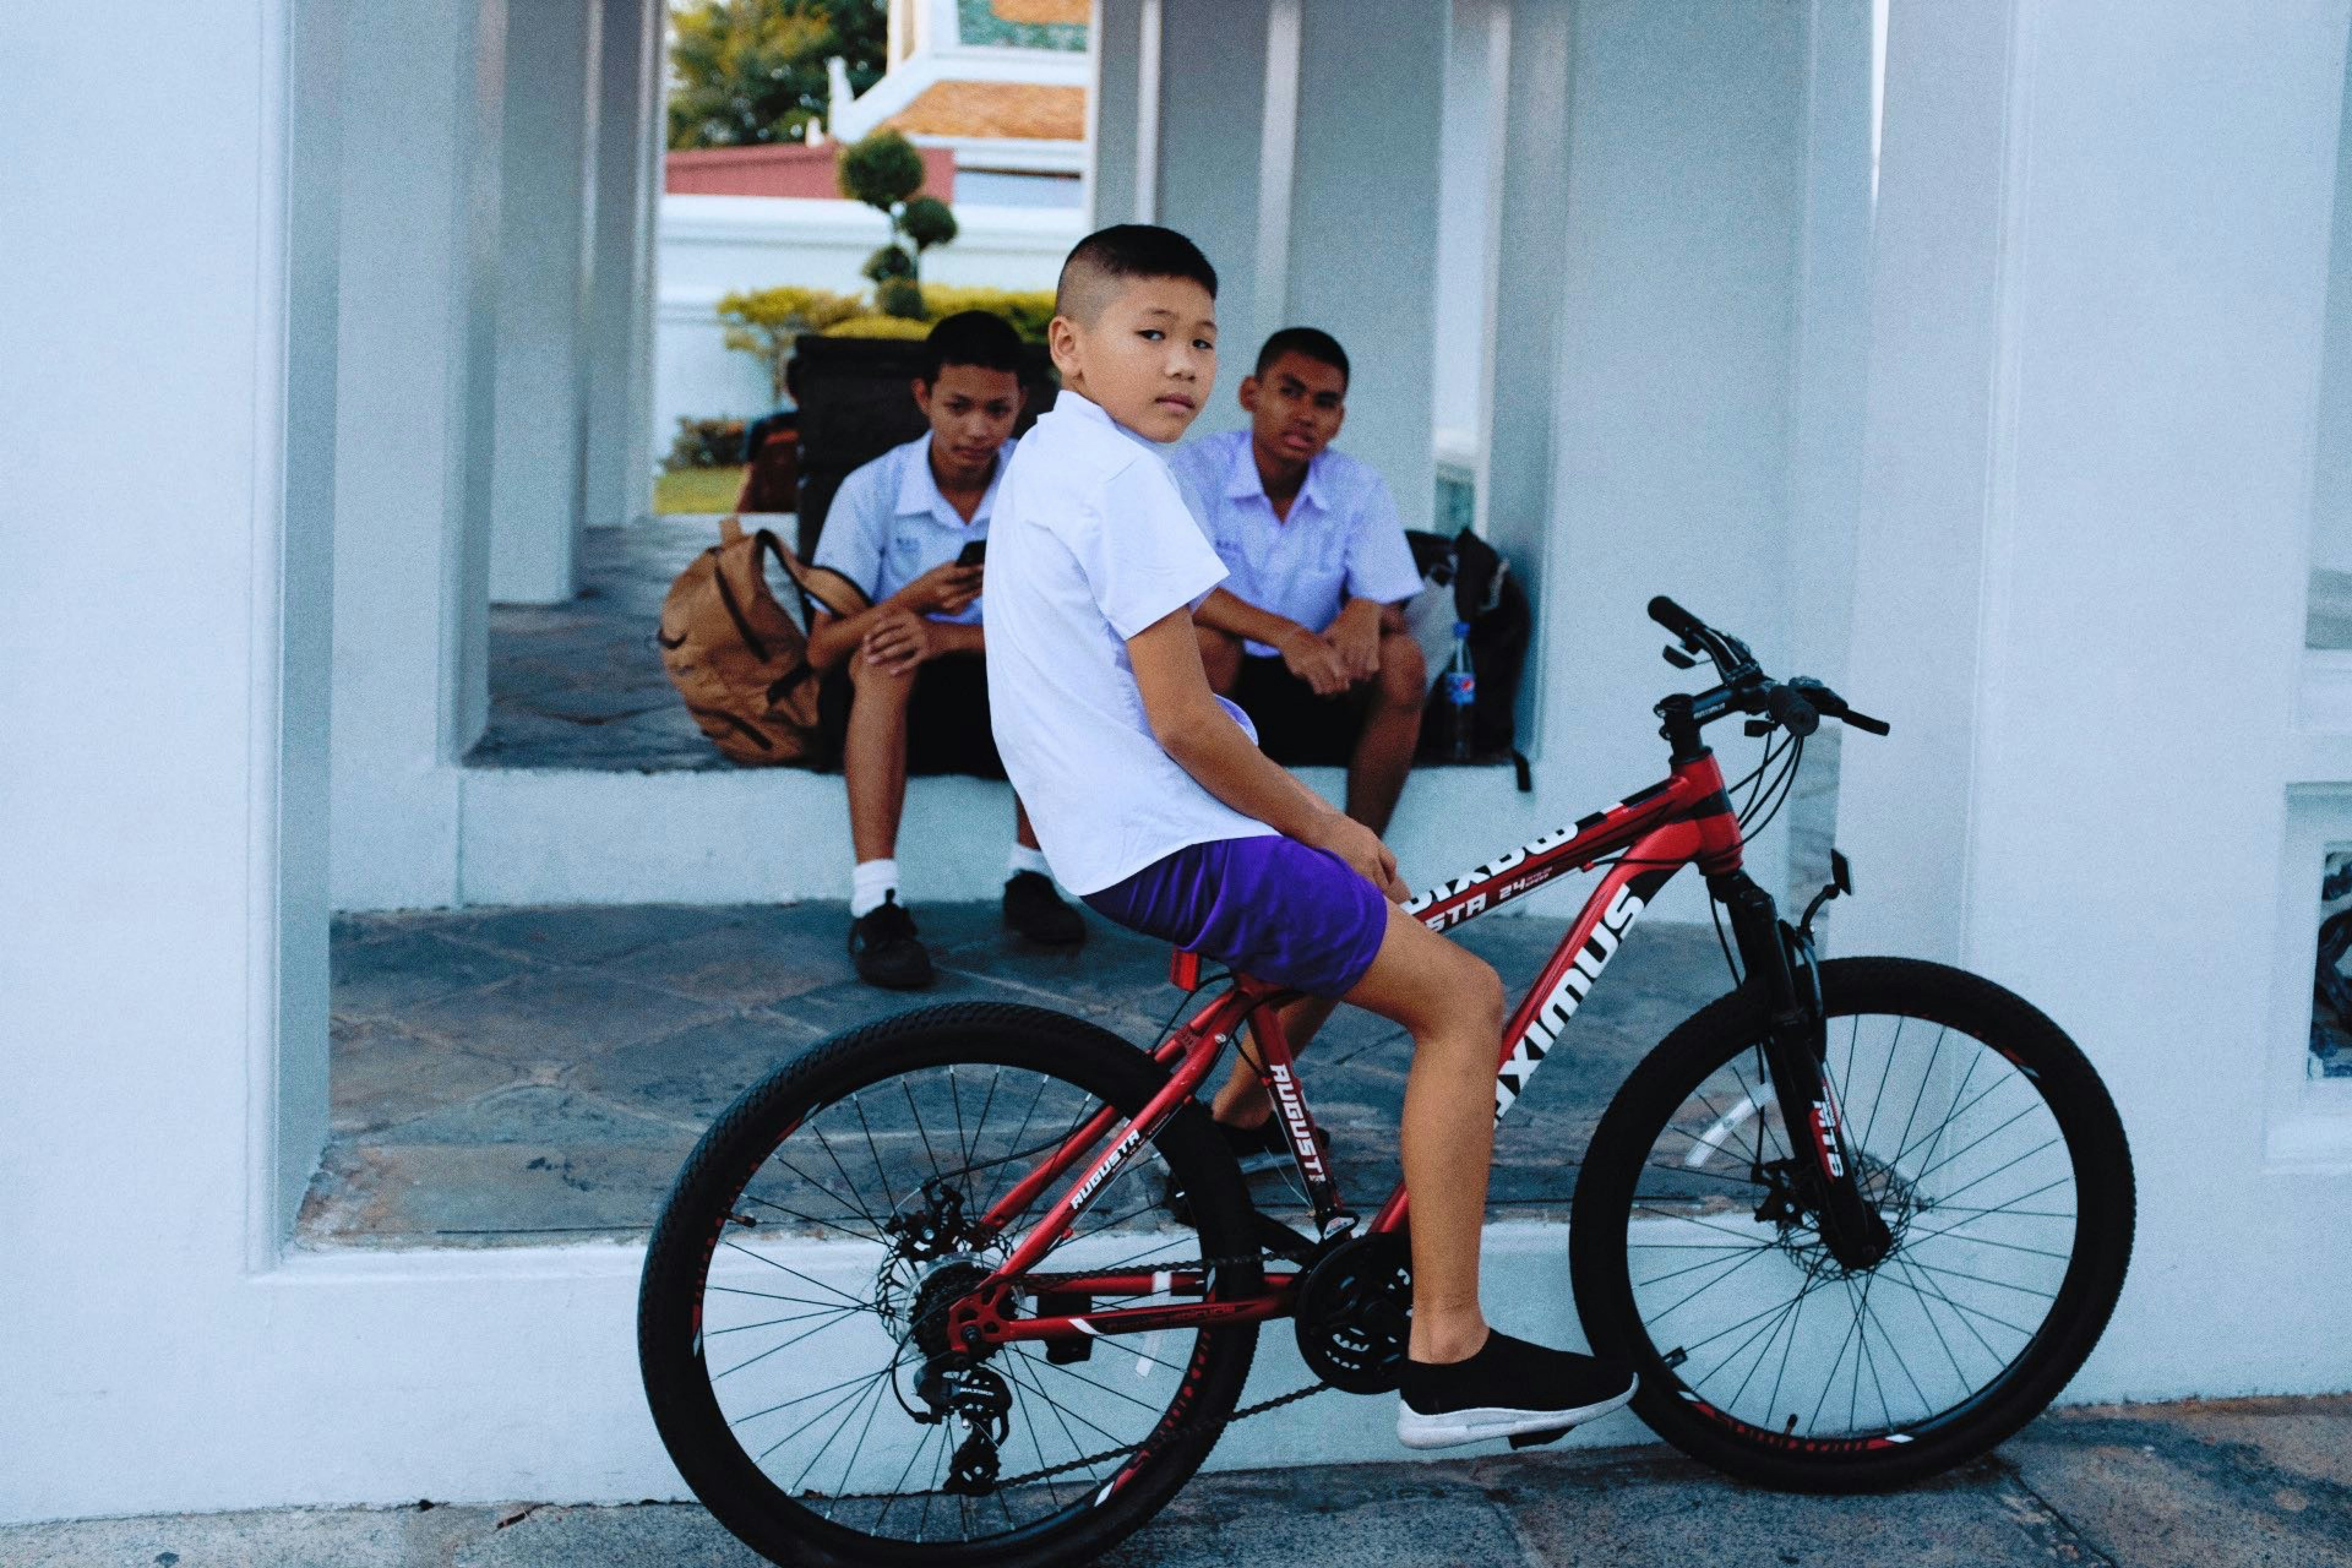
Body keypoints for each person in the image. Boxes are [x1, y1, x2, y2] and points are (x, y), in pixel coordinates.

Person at [985, 224, 1635, 1449]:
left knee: (1357, 936)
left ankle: (1234, 1117)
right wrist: (1325, 818)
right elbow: (1184, 719)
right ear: (1071, 348)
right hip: (1170, 829)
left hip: (1116, 826)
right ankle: (1451, 1353)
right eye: (1152, 334)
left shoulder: (1059, 455)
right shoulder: (1128, 481)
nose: (1181, 363)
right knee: (1461, 995)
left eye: (1200, 339)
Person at [807, 311, 1086, 990]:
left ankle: (1032, 875)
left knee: (1057, 658)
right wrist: (914, 602)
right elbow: (821, 649)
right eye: (957, 406)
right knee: (882, 652)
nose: (978, 429)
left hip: (1009, 695)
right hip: (901, 711)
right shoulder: (873, 489)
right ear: (922, 397)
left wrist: (948, 635)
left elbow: (1078, 629)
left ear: (1023, 403)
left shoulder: (1044, 484)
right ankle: (876, 901)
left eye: (998, 409)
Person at [1168, 327, 1428, 833]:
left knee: (1404, 659)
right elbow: (1183, 591)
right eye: (1290, 392)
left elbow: (1394, 604)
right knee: (1206, 643)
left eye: (1325, 403)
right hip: (1227, 686)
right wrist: (1288, 636)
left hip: (1322, 682)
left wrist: (1366, 607)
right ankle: (1197, 839)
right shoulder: (1197, 469)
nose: (1306, 414)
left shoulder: (1358, 485)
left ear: (1339, 420)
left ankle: (1362, 860)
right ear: (1251, 394)